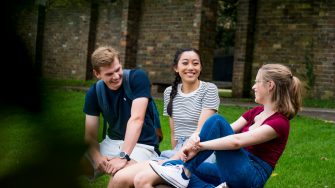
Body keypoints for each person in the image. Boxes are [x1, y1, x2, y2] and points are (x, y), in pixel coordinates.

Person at [149, 63, 302, 188]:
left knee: (216, 120)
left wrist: (199, 146)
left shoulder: (280, 122)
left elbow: (236, 141)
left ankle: (184, 172)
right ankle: (193, 177)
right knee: (170, 164)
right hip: (231, 169)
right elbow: (222, 130)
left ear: (270, 85)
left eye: (257, 82)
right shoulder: (255, 112)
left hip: (250, 177)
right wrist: (195, 139)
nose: (253, 87)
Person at [110, 48, 220, 188]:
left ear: (201, 67)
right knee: (120, 178)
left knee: (145, 180)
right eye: (185, 63)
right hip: (177, 152)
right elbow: (175, 133)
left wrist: (173, 160)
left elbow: (200, 133)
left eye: (195, 63)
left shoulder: (209, 89)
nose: (191, 67)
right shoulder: (169, 92)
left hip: (201, 153)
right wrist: (173, 156)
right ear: (176, 68)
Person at [80, 46, 160, 181]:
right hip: (111, 142)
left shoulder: (137, 78)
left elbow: (137, 119)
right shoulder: (94, 93)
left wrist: (122, 157)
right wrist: (97, 156)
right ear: (97, 74)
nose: (116, 76)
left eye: (118, 70)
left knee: (120, 177)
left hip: (141, 145)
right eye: (109, 74)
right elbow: (90, 135)